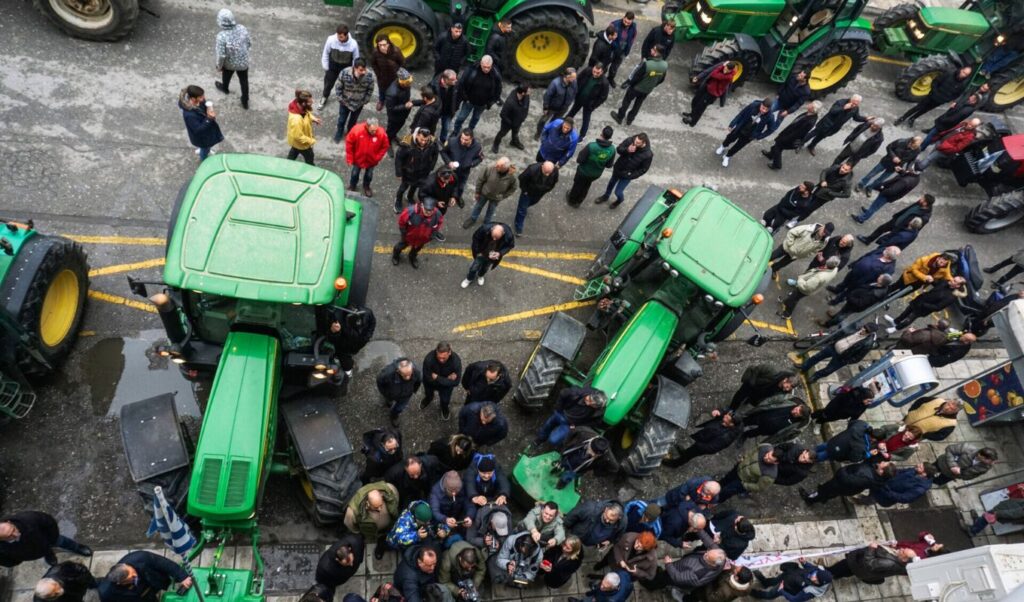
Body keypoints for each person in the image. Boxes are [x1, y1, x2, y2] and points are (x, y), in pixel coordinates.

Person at [0, 511, 92, 567]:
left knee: (63, 541)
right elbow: (5, 561)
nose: (15, 534)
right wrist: (19, 559)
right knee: (47, 552)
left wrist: (52, 538)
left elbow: (49, 522)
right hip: (34, 552)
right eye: (10, 535)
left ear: (9, 522)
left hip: (47, 539)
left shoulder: (28, 519)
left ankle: (77, 547)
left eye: (13, 530)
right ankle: (49, 556)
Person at [895, 65, 973, 127]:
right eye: (963, 72)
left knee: (925, 110)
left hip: (939, 101)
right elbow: (935, 82)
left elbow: (956, 95)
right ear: (961, 69)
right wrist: (934, 92)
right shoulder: (949, 73)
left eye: (966, 74)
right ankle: (903, 118)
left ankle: (913, 118)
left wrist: (946, 100)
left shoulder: (962, 85)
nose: (963, 75)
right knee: (918, 107)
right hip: (932, 96)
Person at [797, 323, 879, 382]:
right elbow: (842, 332)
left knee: (828, 370)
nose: (864, 329)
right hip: (833, 347)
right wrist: (832, 340)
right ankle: (804, 366)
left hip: (841, 358)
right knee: (817, 357)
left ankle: (815, 376)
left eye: (867, 330)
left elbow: (858, 358)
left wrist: (846, 361)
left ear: (870, 332)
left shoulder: (868, 343)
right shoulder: (856, 327)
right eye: (864, 327)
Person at [664, 408, 742, 468]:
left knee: (689, 454)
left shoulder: (725, 438)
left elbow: (712, 448)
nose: (725, 416)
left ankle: (674, 464)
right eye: (727, 415)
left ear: (731, 424)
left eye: (727, 418)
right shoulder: (732, 417)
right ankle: (684, 452)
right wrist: (719, 411)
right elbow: (726, 411)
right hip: (705, 435)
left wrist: (699, 445)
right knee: (689, 450)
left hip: (702, 445)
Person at [98, 552, 191, 602]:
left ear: (125, 565)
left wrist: (183, 576)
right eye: (131, 578)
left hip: (154, 582)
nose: (135, 575)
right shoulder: (106, 593)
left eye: (132, 572)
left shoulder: (140, 557)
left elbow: (163, 563)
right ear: (120, 583)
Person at [611, 45, 667, 126]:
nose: (651, 49)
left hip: (636, 88)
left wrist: (630, 84)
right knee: (638, 104)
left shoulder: (647, 64)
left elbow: (636, 77)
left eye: (654, 49)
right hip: (647, 89)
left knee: (627, 101)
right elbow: (661, 79)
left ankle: (620, 117)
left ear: (656, 53)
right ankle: (630, 119)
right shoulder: (664, 65)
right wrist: (652, 84)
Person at [534, 386, 608, 447]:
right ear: (591, 394)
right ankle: (540, 439)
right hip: (561, 413)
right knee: (547, 426)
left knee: (553, 440)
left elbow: (596, 422)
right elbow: (563, 393)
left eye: (592, 405)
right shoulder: (577, 392)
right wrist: (558, 408)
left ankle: (556, 445)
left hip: (569, 424)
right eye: (588, 400)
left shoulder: (599, 411)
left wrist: (578, 425)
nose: (588, 404)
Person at [886, 277, 967, 331]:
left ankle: (896, 328)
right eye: (953, 279)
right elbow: (936, 285)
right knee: (906, 311)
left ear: (958, 285)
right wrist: (931, 281)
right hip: (920, 299)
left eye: (954, 281)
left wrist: (924, 305)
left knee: (909, 319)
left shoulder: (951, 297)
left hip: (924, 308)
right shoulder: (945, 282)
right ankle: (895, 321)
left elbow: (938, 307)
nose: (951, 280)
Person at [851, 161, 921, 223]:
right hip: (891, 195)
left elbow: (892, 191)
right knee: (875, 205)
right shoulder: (916, 178)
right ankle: (867, 212)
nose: (908, 168)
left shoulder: (905, 181)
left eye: (910, 168)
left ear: (912, 170)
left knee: (874, 207)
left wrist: (882, 190)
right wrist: (901, 172)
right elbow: (907, 175)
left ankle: (861, 218)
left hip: (887, 195)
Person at [345, 482, 400, 560]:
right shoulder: (353, 511)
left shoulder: (390, 490)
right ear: (367, 503)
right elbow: (351, 525)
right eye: (376, 507)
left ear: (381, 495)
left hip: (389, 527)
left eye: (381, 505)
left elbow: (396, 500)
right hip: (372, 532)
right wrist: (361, 533)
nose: (380, 509)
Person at [596, 132, 652, 208]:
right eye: (635, 140)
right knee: (611, 183)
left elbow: (643, 169)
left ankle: (620, 200)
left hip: (627, 175)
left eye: (638, 143)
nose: (635, 143)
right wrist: (627, 150)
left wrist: (631, 175)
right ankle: (606, 196)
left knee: (618, 192)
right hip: (618, 168)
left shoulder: (648, 154)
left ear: (643, 143)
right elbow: (619, 149)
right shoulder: (630, 140)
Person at [826, 246, 900, 304]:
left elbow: (879, 280)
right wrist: (854, 264)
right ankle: (837, 289)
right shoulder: (881, 251)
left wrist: (865, 286)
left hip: (861, 282)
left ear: (888, 256)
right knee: (845, 282)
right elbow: (867, 255)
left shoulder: (889, 269)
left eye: (888, 249)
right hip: (854, 272)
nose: (886, 248)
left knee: (849, 291)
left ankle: (837, 300)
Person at [716, 97, 776, 168]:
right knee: (730, 138)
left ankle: (727, 156)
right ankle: (723, 146)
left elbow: (771, 129)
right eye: (763, 107)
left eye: (766, 109)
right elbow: (741, 114)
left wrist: (759, 136)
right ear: (761, 104)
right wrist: (732, 124)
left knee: (738, 146)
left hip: (750, 135)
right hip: (740, 127)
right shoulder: (753, 105)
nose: (763, 110)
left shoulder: (770, 117)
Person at [801, 461, 895, 505]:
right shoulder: (876, 474)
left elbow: (846, 480)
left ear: (881, 472)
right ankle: (823, 497)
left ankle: (810, 499)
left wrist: (842, 470)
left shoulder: (867, 478)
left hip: (839, 484)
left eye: (884, 464)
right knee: (829, 492)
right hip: (844, 487)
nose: (882, 462)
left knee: (824, 491)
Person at [800, 95, 868, 155]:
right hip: (826, 123)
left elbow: (856, 117)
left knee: (821, 137)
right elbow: (832, 111)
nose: (855, 105)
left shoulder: (855, 108)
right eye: (854, 103)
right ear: (851, 99)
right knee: (813, 133)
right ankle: (801, 143)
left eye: (857, 104)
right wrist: (843, 108)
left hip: (834, 127)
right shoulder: (840, 102)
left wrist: (866, 119)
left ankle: (811, 146)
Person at [554, 427, 619, 489]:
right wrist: (565, 445)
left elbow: (615, 468)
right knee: (560, 465)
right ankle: (557, 470)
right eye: (590, 450)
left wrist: (598, 472)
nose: (591, 454)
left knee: (565, 479)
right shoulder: (585, 432)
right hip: (571, 456)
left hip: (580, 469)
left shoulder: (608, 457)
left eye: (594, 454)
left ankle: (559, 487)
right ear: (590, 442)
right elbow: (573, 431)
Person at [451, 56, 503, 134]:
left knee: (475, 118)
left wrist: (490, 102)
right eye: (484, 67)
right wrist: (465, 97)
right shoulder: (472, 69)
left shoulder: (495, 75)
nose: (486, 69)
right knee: (461, 118)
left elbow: (498, 90)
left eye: (488, 67)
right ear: (481, 63)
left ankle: (470, 131)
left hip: (482, 104)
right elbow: (462, 83)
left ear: (491, 65)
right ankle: (455, 131)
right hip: (469, 101)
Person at [393, 127, 439, 214]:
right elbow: (398, 159)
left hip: (423, 172)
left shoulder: (432, 143)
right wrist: (398, 173)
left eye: (426, 140)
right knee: (403, 187)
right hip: (408, 172)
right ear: (417, 135)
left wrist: (431, 167)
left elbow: (435, 155)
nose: (423, 142)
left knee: (415, 186)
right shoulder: (406, 144)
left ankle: (409, 196)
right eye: (421, 139)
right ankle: (398, 200)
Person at [820, 272, 893, 327]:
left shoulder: (874, 294)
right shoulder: (878, 285)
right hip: (852, 300)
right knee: (843, 310)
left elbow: (860, 303)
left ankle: (828, 324)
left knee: (842, 315)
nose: (879, 276)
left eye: (881, 277)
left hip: (854, 306)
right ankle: (834, 316)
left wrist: (849, 297)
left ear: (882, 282)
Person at [567, 126, 616, 207]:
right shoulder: (612, 149)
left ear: (602, 134)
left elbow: (579, 160)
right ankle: (579, 201)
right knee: (586, 186)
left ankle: (572, 200)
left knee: (577, 185)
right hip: (595, 174)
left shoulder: (591, 146)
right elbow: (609, 165)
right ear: (610, 137)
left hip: (583, 171)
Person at [763, 101, 820, 170]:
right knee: (777, 145)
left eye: (811, 105)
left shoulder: (810, 121)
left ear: (813, 109)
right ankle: (771, 155)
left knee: (778, 147)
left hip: (790, 138)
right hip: (788, 133)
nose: (809, 104)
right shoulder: (809, 113)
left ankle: (777, 165)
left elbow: (797, 133)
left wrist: (785, 139)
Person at [717, 443, 782, 502]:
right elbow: (752, 451)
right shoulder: (765, 447)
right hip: (738, 468)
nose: (766, 458)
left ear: (776, 462)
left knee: (726, 491)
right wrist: (744, 458)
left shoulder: (770, 475)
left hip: (741, 482)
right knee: (724, 480)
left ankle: (715, 501)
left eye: (769, 460)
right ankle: (714, 489)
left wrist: (745, 485)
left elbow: (759, 487)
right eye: (768, 455)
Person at [462, 159, 518, 229]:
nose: (495, 166)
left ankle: (487, 223)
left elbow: (514, 187)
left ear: (505, 168)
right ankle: (473, 219)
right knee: (478, 206)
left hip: (496, 198)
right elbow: (480, 180)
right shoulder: (490, 168)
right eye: (497, 164)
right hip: (484, 193)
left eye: (498, 166)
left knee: (491, 210)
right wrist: (477, 192)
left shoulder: (512, 177)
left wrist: (503, 196)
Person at [856, 135, 923, 193]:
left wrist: (907, 169)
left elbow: (911, 160)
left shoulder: (917, 150)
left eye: (915, 148)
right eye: (912, 147)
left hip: (895, 167)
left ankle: (870, 187)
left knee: (881, 179)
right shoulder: (901, 141)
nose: (913, 149)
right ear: (911, 142)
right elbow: (889, 147)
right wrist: (893, 156)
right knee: (872, 174)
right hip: (886, 161)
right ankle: (861, 184)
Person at [213, 9, 251, 109]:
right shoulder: (242, 28)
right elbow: (248, 43)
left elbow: (221, 55)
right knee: (244, 81)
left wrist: (219, 66)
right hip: (243, 62)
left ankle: (225, 88)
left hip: (229, 64)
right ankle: (245, 100)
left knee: (226, 76)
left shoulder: (221, 36)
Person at [825, 543, 915, 585]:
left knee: (841, 566)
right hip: (860, 571)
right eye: (904, 548)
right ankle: (835, 576)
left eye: (903, 551)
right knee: (847, 572)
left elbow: (870, 563)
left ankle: (826, 574)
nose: (902, 549)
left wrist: (871, 548)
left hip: (857, 564)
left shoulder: (889, 563)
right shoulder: (903, 562)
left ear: (904, 558)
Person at [332, 58, 376, 142]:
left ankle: (350, 133)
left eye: (364, 69)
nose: (363, 72)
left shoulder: (369, 75)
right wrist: (340, 99)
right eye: (360, 70)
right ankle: (339, 132)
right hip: (345, 103)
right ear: (354, 68)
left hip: (358, 104)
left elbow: (370, 89)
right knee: (341, 120)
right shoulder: (345, 73)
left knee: (353, 121)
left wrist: (365, 100)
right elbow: (338, 87)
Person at [461, 222, 515, 289]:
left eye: (497, 238)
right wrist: (478, 252)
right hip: (481, 253)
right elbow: (475, 238)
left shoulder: (508, 235)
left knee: (485, 268)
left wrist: (500, 253)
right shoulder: (484, 229)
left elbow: (510, 246)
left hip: (492, 257)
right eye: (493, 236)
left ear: (503, 233)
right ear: (491, 229)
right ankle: (469, 279)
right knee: (474, 268)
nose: (494, 239)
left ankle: (480, 276)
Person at [684, 61, 737, 127]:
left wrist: (722, 66)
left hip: (712, 94)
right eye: (726, 68)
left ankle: (692, 121)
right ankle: (691, 114)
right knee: (695, 101)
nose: (725, 70)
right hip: (706, 87)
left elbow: (713, 74)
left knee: (700, 107)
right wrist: (698, 77)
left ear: (731, 70)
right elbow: (710, 70)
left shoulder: (729, 76)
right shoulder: (723, 67)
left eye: (727, 70)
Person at [346, 117, 389, 198]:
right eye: (372, 130)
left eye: (376, 130)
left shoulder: (381, 133)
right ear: (367, 126)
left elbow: (385, 146)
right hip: (358, 159)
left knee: (369, 175)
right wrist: (350, 158)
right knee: (354, 174)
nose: (375, 132)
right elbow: (349, 144)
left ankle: (366, 187)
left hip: (371, 160)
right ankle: (352, 186)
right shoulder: (357, 130)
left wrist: (377, 157)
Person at [177, 85, 223, 161]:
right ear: (193, 98)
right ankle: (204, 160)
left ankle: (202, 149)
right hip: (202, 138)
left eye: (203, 95)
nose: (203, 98)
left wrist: (208, 109)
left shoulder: (198, 101)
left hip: (205, 133)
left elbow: (202, 109)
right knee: (205, 150)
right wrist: (209, 119)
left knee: (204, 147)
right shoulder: (189, 115)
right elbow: (198, 130)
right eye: (201, 97)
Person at [319, 24, 359, 109]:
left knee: (346, 86)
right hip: (332, 66)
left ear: (347, 35)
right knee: (328, 84)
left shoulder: (353, 44)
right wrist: (326, 66)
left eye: (341, 37)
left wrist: (352, 71)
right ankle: (324, 97)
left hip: (345, 68)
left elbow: (356, 59)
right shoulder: (331, 40)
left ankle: (344, 102)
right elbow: (325, 53)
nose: (338, 38)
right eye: (338, 35)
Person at [917, 117, 981, 170]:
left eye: (972, 126)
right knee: (931, 156)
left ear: (975, 127)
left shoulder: (969, 137)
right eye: (970, 123)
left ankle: (919, 168)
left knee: (929, 158)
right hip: (941, 142)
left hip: (944, 149)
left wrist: (943, 148)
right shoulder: (963, 124)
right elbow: (951, 130)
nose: (969, 125)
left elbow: (957, 148)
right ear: (970, 121)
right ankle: (923, 164)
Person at [515, 160, 559, 235]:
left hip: (539, 193)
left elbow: (555, 181)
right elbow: (522, 178)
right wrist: (524, 190)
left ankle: (525, 207)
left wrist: (547, 190)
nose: (547, 174)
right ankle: (518, 227)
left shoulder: (555, 171)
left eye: (549, 172)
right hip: (528, 192)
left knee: (533, 202)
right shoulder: (532, 169)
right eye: (545, 172)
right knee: (522, 209)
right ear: (542, 166)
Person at [736, 396, 810, 440]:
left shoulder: (796, 424)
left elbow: (787, 435)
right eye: (797, 409)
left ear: (801, 416)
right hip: (762, 416)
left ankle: (744, 435)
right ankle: (735, 426)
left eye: (797, 413)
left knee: (755, 432)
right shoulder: (790, 401)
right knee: (747, 421)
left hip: (768, 430)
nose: (795, 411)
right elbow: (773, 400)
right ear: (799, 406)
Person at [663, 545, 728, 596]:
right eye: (708, 551)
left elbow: (678, 577)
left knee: (662, 580)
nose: (705, 553)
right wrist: (699, 530)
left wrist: (668, 564)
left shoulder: (698, 574)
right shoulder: (721, 559)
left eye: (707, 556)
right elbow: (710, 543)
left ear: (712, 563)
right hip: (680, 566)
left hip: (674, 574)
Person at [420, 342, 462, 419]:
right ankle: (428, 399)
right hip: (431, 384)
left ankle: (444, 408)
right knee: (428, 394)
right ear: (436, 351)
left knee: (445, 401)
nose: (441, 360)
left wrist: (437, 378)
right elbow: (428, 378)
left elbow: (456, 382)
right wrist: (447, 380)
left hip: (445, 387)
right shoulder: (429, 359)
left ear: (449, 352)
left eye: (444, 358)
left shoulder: (456, 362)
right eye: (439, 357)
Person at [376, 357, 423, 427]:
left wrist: (413, 390)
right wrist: (385, 393)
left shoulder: (417, 372)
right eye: (405, 375)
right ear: (398, 371)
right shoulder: (388, 374)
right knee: (389, 400)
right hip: (391, 394)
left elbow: (418, 382)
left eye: (409, 374)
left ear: (412, 369)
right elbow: (380, 381)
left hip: (405, 396)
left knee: (399, 408)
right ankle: (388, 401)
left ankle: (394, 416)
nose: (408, 377)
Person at [729, 364, 797, 412]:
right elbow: (758, 369)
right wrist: (752, 383)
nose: (786, 389)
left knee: (749, 400)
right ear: (785, 380)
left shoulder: (786, 391)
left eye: (789, 389)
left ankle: (746, 401)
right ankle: (732, 408)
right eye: (787, 386)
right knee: (739, 397)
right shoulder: (773, 371)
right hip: (752, 386)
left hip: (759, 395)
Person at [441, 129, 484, 202]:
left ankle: (458, 198)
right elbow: (443, 152)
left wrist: (472, 164)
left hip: (464, 172)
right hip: (450, 170)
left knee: (461, 187)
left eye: (466, 140)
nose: (463, 141)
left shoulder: (477, 146)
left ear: (471, 138)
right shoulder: (452, 141)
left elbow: (480, 158)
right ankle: (445, 198)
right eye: (462, 138)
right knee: (446, 185)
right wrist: (449, 162)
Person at [752, 561, 832, 601]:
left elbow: (794, 599)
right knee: (774, 580)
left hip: (785, 587)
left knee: (770, 594)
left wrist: (782, 590)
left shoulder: (810, 592)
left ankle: (755, 594)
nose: (814, 578)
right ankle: (765, 582)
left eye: (817, 581)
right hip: (788, 575)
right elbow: (811, 567)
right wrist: (804, 563)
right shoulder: (820, 570)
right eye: (815, 575)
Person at [535, 68, 578, 140]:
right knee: (543, 121)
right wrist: (546, 107)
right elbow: (547, 95)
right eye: (573, 77)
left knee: (555, 122)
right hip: (551, 108)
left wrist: (569, 103)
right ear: (567, 76)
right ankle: (538, 133)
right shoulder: (555, 83)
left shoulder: (574, 82)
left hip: (563, 108)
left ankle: (548, 133)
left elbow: (574, 92)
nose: (574, 79)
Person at [868, 463, 933, 508]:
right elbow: (901, 471)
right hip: (884, 485)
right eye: (920, 464)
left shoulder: (919, 489)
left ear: (924, 474)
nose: (917, 465)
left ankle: (866, 501)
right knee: (872, 492)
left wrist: (888, 493)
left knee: (873, 498)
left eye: (920, 467)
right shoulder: (915, 470)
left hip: (885, 497)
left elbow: (904, 498)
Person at [927, 444, 997, 485]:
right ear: (981, 456)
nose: (991, 463)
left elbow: (974, 476)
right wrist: (953, 466)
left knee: (937, 482)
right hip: (942, 464)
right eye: (990, 460)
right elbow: (949, 449)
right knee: (927, 472)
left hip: (950, 475)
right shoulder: (967, 448)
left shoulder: (986, 467)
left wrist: (960, 475)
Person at [369, 35, 405, 111]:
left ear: (388, 43)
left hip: (394, 76)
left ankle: (391, 102)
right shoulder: (376, 52)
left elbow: (402, 63)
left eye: (384, 45)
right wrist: (378, 73)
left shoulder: (396, 51)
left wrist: (395, 67)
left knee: (393, 91)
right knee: (381, 90)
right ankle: (381, 101)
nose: (382, 47)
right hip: (382, 76)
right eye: (380, 45)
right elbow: (373, 63)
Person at [286, 89, 322, 165]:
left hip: (296, 143)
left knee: (294, 151)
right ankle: (311, 169)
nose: (312, 102)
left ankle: (287, 165)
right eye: (309, 102)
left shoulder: (299, 106)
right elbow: (298, 137)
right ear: (303, 103)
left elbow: (307, 114)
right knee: (310, 158)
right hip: (303, 144)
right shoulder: (296, 120)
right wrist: (311, 141)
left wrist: (313, 119)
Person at [492, 85, 530, 153]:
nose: (530, 91)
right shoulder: (510, 102)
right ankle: (496, 144)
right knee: (502, 133)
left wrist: (523, 118)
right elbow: (503, 114)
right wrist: (511, 123)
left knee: (515, 133)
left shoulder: (526, 96)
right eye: (528, 90)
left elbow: (526, 108)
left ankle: (514, 142)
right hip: (508, 123)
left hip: (518, 122)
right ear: (523, 93)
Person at [383, 69, 415, 147]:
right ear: (402, 82)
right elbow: (391, 108)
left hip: (403, 114)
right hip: (395, 116)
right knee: (391, 129)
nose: (409, 85)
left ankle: (393, 136)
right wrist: (405, 106)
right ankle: (387, 142)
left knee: (397, 127)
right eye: (407, 83)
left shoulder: (406, 85)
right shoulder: (392, 93)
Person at [607, 12, 638, 86]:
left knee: (614, 68)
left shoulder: (634, 27)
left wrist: (626, 51)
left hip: (622, 52)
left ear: (632, 21)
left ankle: (610, 79)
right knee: (604, 65)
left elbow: (632, 39)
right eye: (625, 21)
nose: (626, 24)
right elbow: (608, 36)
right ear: (624, 17)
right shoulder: (614, 24)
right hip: (612, 50)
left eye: (629, 22)